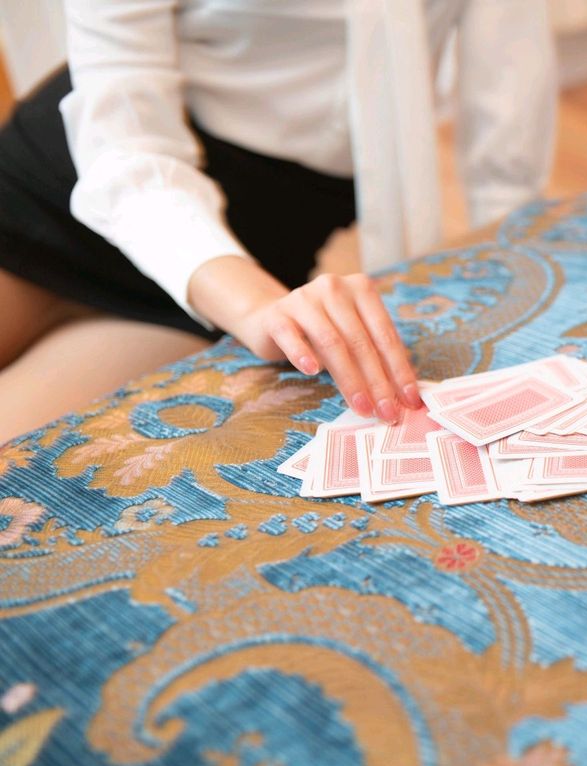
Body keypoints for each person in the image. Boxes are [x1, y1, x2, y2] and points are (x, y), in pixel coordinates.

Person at [0, 0, 556, 444]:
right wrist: (255, 306)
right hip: (61, 191)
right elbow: (123, 142)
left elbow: (507, 102)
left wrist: (505, 278)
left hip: (246, 253)